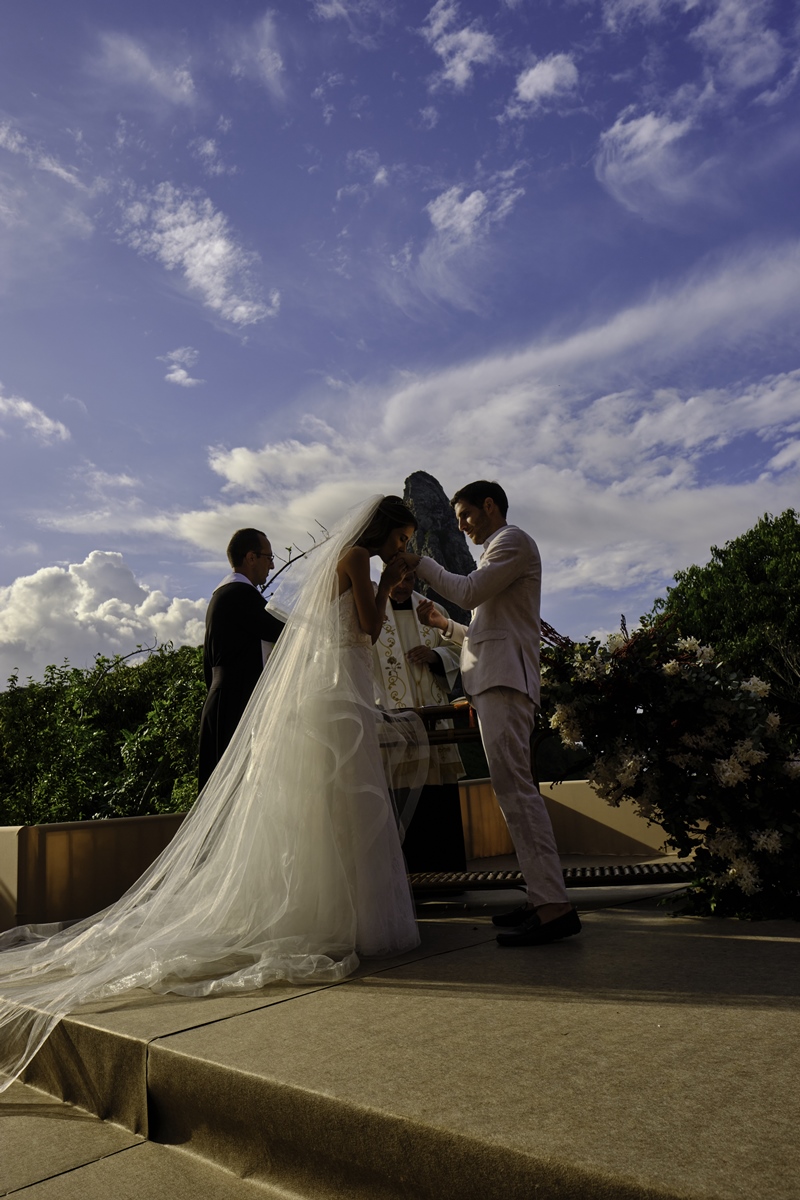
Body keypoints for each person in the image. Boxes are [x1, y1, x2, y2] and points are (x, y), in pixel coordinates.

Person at [0, 496, 426, 1092]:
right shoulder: (257, 589)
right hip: (260, 701)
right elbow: (343, 629)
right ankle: (338, 913)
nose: (402, 550)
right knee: (301, 804)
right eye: (401, 538)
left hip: (262, 695)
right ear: (249, 558)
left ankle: (348, 911)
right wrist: (375, 596)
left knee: (308, 805)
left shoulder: (253, 591)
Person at [404, 480, 580, 947]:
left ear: (489, 506)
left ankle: (554, 907)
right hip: (492, 682)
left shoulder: (512, 541)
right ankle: (543, 896)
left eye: (464, 515)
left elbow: (467, 591)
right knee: (511, 795)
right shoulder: (497, 552)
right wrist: (446, 627)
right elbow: (486, 630)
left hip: (505, 684)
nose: (460, 525)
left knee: (518, 795)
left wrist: (419, 562)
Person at [372, 572, 466, 872]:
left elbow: (457, 650)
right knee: (400, 797)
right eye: (397, 580)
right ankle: (410, 877)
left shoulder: (432, 610)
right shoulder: (371, 614)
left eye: (409, 580)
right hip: (392, 722)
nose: (402, 586)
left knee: (438, 798)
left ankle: (447, 873)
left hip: (433, 717)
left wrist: (435, 655)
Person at [198, 528, 285, 790]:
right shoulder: (240, 595)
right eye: (269, 557)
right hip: (235, 704)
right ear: (251, 557)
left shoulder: (222, 595)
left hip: (223, 700)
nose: (271, 565)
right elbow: (282, 633)